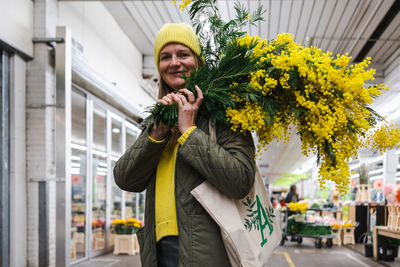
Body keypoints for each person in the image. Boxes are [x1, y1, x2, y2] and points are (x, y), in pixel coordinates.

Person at [113, 23, 256, 267]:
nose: (174, 62)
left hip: (205, 251)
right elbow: (126, 179)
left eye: (183, 54)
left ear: (197, 60)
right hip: (160, 249)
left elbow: (241, 180)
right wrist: (156, 134)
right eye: (165, 56)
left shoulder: (223, 113)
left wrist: (189, 131)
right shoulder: (159, 119)